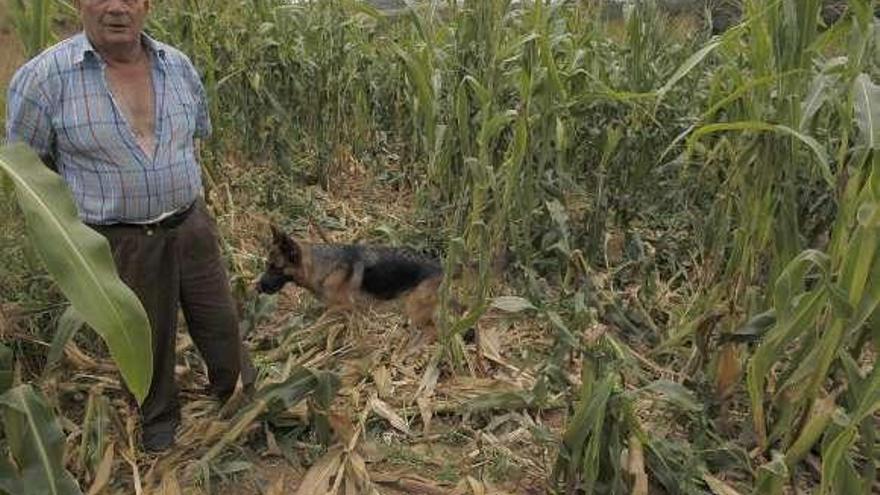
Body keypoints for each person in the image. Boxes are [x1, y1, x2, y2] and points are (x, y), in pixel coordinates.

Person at [5, 0, 254, 452]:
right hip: (120, 239)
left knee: (219, 319)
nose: (117, 7)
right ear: (80, 3)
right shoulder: (45, 78)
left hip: (190, 224)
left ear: (147, 5)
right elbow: (25, 164)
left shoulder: (176, 66)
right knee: (144, 336)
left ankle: (236, 393)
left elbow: (195, 133)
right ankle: (157, 418)